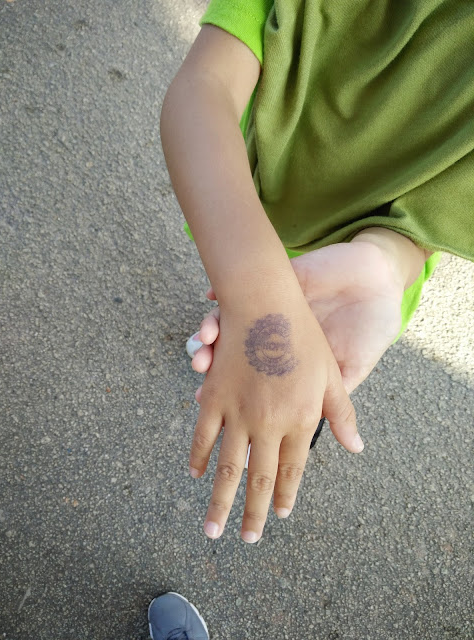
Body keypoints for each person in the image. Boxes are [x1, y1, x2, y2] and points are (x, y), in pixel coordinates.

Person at [160, 0, 474, 545]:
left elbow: (447, 208)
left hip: (361, 286)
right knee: (250, 333)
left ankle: (296, 416)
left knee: (304, 387)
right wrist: (256, 294)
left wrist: (390, 258)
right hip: (247, 207)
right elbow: (203, 87)